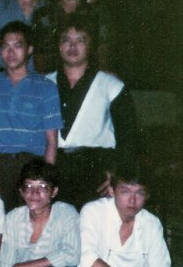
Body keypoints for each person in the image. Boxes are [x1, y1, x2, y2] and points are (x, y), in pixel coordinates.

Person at [46, 17, 136, 209]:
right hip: (54, 167)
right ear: (58, 45)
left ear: (91, 46)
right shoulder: (44, 83)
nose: (72, 46)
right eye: (66, 39)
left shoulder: (112, 85)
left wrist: (117, 173)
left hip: (94, 169)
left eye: (81, 40)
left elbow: (128, 137)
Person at [0, 21, 62, 210]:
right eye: (5, 46)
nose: (11, 52)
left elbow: (51, 140)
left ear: (29, 49)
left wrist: (46, 179)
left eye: (18, 46)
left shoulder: (46, 87)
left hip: (30, 166)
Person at [32, 0, 113, 73]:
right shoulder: (43, 15)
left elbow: (104, 49)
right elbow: (39, 55)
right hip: (53, 81)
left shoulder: (97, 11)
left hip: (89, 79)